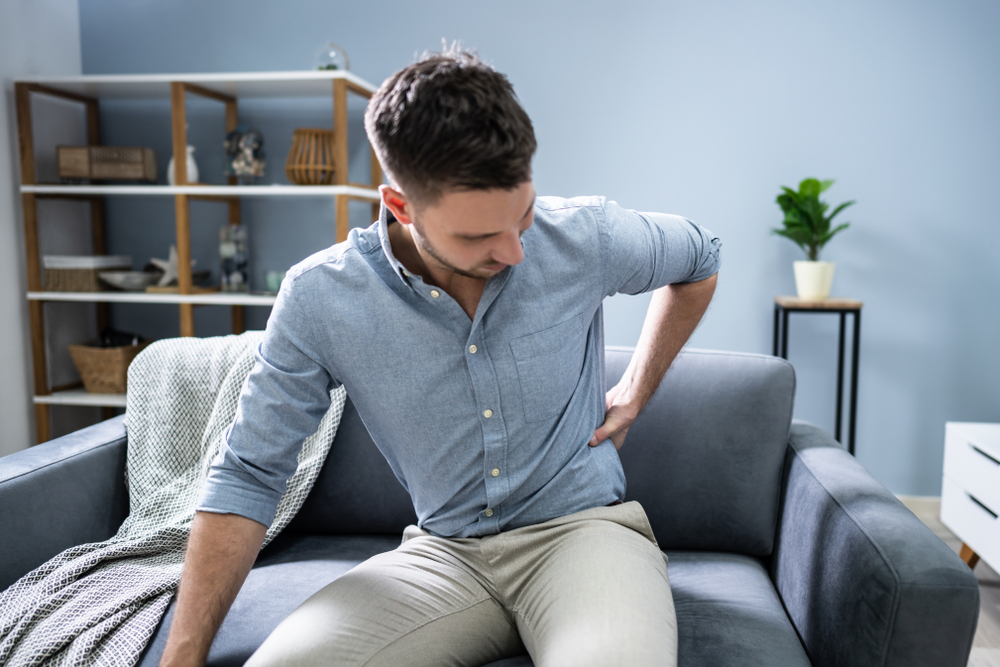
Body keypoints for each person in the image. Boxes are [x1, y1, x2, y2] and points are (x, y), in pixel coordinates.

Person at [159, 47, 720, 667]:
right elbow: (250, 474)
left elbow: (701, 257)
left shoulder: (584, 235)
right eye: (479, 236)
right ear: (400, 207)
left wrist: (637, 387)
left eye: (523, 214)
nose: (515, 251)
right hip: (443, 555)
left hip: (584, 535)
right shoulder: (321, 296)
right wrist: (181, 657)